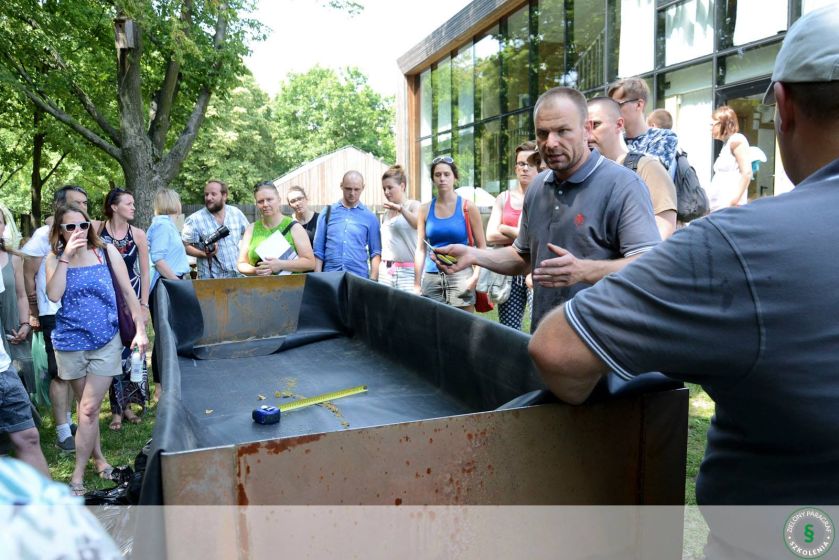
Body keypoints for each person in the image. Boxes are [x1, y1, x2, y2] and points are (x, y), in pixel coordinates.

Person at [527, 4, 839, 506]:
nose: (552, 143)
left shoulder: (736, 244)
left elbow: (557, 350)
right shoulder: (542, 188)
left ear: (783, 106)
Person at [434, 87, 660, 330]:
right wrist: (474, 255)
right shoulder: (537, 187)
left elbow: (649, 267)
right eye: (543, 133)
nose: (551, 143)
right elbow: (523, 257)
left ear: (586, 130)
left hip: (602, 345)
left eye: (563, 131)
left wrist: (585, 271)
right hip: (544, 339)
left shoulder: (624, 185)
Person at [46, 204, 147, 496]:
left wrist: (140, 330)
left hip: (106, 340)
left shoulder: (105, 252)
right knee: (85, 410)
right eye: (70, 227)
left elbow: (129, 293)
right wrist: (65, 257)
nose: (79, 231)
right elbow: (53, 295)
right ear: (60, 232)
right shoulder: (54, 259)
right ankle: (100, 460)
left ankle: (77, 475)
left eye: (83, 224)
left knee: (89, 409)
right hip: (70, 343)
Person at [22, 185, 90, 454]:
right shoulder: (43, 235)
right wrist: (33, 310)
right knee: (60, 373)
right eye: (76, 203)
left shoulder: (85, 231)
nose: (82, 208)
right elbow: (28, 272)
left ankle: (71, 423)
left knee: (75, 371)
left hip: (76, 310)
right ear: (61, 206)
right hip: (53, 311)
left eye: (85, 203)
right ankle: (63, 432)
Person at [587, 97, 677, 239]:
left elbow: (663, 232)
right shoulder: (585, 173)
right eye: (584, 128)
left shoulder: (647, 168)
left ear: (619, 124)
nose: (588, 135)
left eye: (596, 125)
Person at [99, 188, 150, 431]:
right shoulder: (98, 231)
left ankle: (129, 405)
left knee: (132, 354)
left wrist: (144, 305)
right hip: (108, 302)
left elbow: (146, 272)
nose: (133, 207)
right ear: (114, 206)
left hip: (133, 301)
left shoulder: (138, 234)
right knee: (113, 354)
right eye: (128, 203)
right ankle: (116, 411)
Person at [0, 232, 48, 476]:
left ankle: (50, 509)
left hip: (3, 368)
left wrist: (25, 322)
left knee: (28, 437)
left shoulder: (8, 259)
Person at [415, 157, 486, 312]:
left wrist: (475, 277)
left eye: (447, 174)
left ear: (455, 177)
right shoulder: (424, 209)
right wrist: (416, 284)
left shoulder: (468, 207)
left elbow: (482, 247)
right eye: (438, 175)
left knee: (464, 329)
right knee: (432, 329)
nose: (442, 179)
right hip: (432, 277)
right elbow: (420, 249)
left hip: (462, 276)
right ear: (433, 179)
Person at [485, 142, 538, 329]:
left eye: (530, 164)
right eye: (521, 163)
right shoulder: (504, 198)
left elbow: (539, 237)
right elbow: (490, 235)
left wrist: (505, 228)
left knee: (539, 327)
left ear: (539, 166)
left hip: (535, 269)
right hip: (510, 270)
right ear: (515, 167)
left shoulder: (545, 197)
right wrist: (524, 235)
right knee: (508, 327)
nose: (524, 168)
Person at [146, 188, 190, 404]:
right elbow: (158, 259)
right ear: (174, 202)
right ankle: (160, 388)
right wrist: (177, 281)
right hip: (166, 286)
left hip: (169, 283)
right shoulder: (163, 225)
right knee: (164, 338)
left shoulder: (167, 224)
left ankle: (167, 385)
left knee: (168, 336)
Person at [313, 171, 382, 280]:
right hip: (330, 276)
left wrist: (373, 281)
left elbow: (375, 252)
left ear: (363, 188)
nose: (352, 193)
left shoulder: (370, 217)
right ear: (341, 186)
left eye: (356, 189)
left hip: (359, 277)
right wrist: (317, 278)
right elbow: (318, 250)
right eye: (348, 189)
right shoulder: (327, 213)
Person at [238, 182, 315, 276]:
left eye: (269, 199)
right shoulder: (251, 229)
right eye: (260, 201)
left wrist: (281, 265)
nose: (265, 204)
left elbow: (310, 263)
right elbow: (241, 264)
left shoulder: (294, 227)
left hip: (291, 287)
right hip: (259, 287)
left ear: (279, 200)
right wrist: (255, 270)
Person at [608, 77, 679, 172]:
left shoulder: (664, 137)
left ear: (638, 105)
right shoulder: (613, 139)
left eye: (618, 105)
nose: (613, 111)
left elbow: (651, 173)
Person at [182, 179, 249, 279]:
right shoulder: (194, 220)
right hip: (210, 280)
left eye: (213, 194)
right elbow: (185, 246)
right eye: (206, 194)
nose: (208, 198)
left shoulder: (236, 213)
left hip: (237, 276)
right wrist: (203, 254)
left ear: (224, 196)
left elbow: (249, 235)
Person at [0, 211, 34, 391]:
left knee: (18, 387)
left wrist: (25, 324)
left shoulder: (15, 258)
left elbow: (22, 295)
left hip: (11, 332)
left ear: (4, 226)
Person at [378, 165, 419, 292]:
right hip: (385, 271)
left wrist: (401, 209)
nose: (386, 192)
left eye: (390, 187)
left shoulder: (414, 205)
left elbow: (417, 223)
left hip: (408, 272)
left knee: (407, 310)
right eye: (384, 188)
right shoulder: (386, 214)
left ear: (402, 186)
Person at [707, 105, 753, 211]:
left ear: (722, 124)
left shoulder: (737, 140)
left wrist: (734, 201)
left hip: (728, 208)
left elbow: (747, 173)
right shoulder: (727, 143)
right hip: (719, 207)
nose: (710, 128)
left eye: (712, 124)